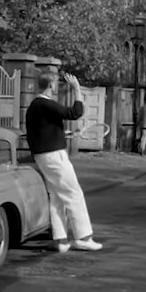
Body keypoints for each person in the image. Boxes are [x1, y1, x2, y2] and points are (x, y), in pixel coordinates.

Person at [26, 71, 102, 253]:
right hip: (54, 156)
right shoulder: (45, 104)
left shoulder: (34, 107)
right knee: (73, 193)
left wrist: (63, 135)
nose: (57, 87)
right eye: (56, 84)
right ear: (51, 85)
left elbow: (42, 132)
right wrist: (77, 89)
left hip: (42, 156)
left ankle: (60, 240)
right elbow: (75, 112)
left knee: (56, 196)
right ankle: (83, 237)